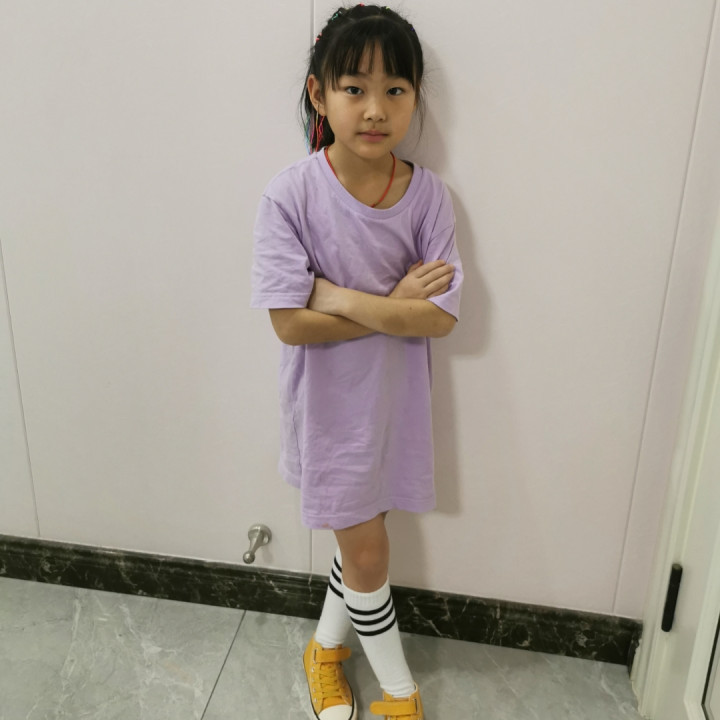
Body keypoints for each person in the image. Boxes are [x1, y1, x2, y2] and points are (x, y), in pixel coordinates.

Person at [251, 5, 463, 719]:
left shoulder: (429, 196)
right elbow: (290, 324)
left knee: (361, 543)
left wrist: (342, 296)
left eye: (395, 90)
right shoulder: (290, 195)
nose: (376, 109)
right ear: (320, 94)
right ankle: (400, 694)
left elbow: (439, 315)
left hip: (397, 405)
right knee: (368, 553)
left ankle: (324, 651)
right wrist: (393, 303)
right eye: (354, 88)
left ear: (415, 96)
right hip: (329, 412)